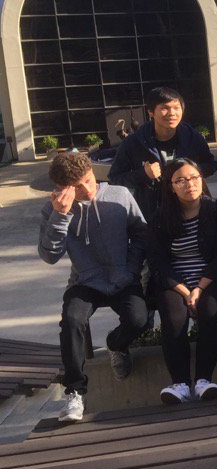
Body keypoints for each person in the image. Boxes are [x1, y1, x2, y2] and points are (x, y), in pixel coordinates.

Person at [38, 152, 148, 423]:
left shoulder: (120, 194)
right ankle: (74, 391)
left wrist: (131, 269)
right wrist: (60, 216)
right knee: (72, 320)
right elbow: (49, 255)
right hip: (85, 280)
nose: (87, 190)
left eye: (88, 180)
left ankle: (116, 344)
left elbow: (141, 233)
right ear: (62, 188)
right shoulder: (53, 209)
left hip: (123, 277)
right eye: (77, 187)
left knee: (139, 319)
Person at [149, 158, 217, 404]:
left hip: (210, 277)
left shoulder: (216, 210)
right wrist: (184, 291)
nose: (190, 184)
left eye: (195, 177)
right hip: (174, 280)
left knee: (210, 314)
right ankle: (179, 384)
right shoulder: (160, 217)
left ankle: (203, 381)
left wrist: (199, 288)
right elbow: (159, 262)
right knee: (174, 318)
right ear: (170, 186)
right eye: (181, 180)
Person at [108, 86, 217, 224]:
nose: (172, 113)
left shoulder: (193, 137)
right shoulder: (134, 142)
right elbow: (115, 179)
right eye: (164, 108)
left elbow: (211, 165)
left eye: (176, 108)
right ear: (151, 112)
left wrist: (191, 173)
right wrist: (143, 174)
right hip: (153, 218)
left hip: (193, 213)